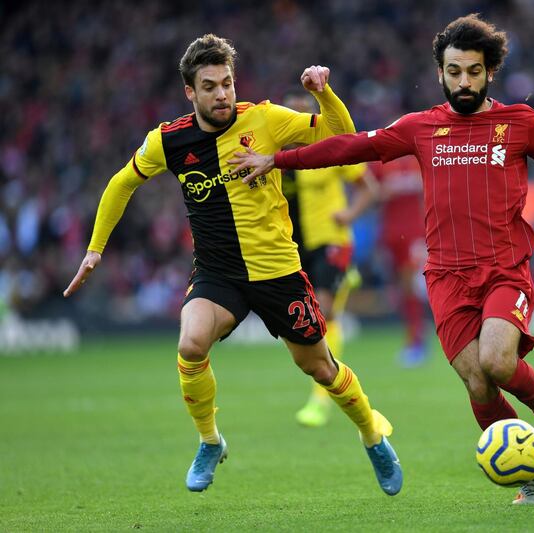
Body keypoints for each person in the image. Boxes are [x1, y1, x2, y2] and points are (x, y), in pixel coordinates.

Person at [228, 15, 534, 505]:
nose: (463, 81)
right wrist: (279, 159)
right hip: (446, 277)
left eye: (473, 71)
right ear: (440, 73)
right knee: (477, 381)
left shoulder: (518, 124)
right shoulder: (421, 127)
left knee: (497, 360)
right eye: (453, 71)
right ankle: (532, 477)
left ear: (490, 73)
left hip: (505, 269)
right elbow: (354, 147)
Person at [62, 34, 402, 496]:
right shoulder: (168, 140)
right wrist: (95, 248)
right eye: (210, 86)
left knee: (321, 368)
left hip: (278, 270)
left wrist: (323, 92)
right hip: (218, 274)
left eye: (227, 83)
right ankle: (210, 440)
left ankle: (371, 433)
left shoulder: (263, 119)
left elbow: (341, 137)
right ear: (190, 92)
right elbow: (122, 183)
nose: (222, 93)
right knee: (190, 344)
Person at [280, 92, 379, 428]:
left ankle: (320, 399)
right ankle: (343, 278)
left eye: (306, 112)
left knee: (323, 313)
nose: (300, 120)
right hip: (294, 246)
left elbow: (369, 187)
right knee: (306, 320)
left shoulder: (331, 147)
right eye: (293, 114)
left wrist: (349, 214)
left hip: (331, 241)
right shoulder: (274, 156)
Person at [370, 156, 431, 367]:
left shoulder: (420, 157)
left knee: (412, 285)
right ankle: (416, 338)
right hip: (391, 233)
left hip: (414, 232)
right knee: (402, 289)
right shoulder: (380, 162)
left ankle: (417, 341)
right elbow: (371, 191)